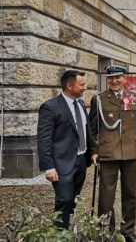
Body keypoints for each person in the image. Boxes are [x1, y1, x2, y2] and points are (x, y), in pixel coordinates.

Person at [89, 65, 136, 242]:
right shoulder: (98, 100)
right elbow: (92, 128)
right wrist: (94, 150)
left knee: (130, 193)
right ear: (107, 79)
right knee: (106, 195)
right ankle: (107, 231)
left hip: (130, 152)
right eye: (111, 78)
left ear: (125, 79)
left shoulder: (135, 98)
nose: (114, 81)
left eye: (118, 77)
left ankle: (128, 231)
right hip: (108, 153)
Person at [37, 70, 91, 228]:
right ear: (69, 85)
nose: (85, 88)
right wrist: (48, 167)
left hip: (81, 160)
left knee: (73, 199)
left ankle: (67, 227)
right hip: (61, 164)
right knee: (64, 200)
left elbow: (86, 131)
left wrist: (92, 152)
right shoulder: (50, 107)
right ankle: (60, 233)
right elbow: (44, 139)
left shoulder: (80, 104)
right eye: (82, 84)